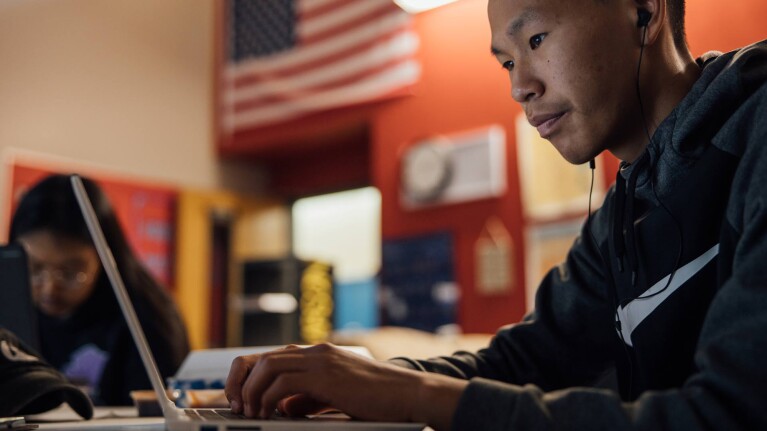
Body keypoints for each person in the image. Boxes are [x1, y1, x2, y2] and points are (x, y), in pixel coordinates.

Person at [224, 0, 767, 429]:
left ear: (644, 12)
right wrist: (355, 379)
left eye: (536, 40)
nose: (518, 86)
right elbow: (518, 364)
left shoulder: (756, 137)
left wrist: (414, 397)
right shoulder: (621, 215)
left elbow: (729, 415)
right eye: (508, 61)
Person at [9, 174, 190, 406]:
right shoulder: (12, 307)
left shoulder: (148, 314)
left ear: (106, 256)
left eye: (70, 272)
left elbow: (162, 414)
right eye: (33, 268)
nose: (49, 288)